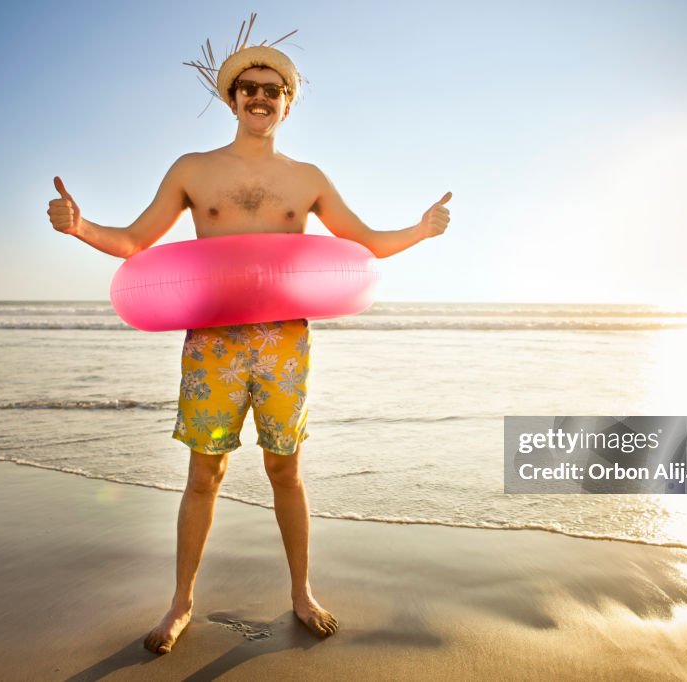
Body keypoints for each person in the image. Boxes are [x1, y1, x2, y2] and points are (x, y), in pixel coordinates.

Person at [46, 21, 451, 655]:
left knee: (285, 468)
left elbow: (366, 244)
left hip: (284, 339)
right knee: (204, 472)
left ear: (288, 102)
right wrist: (79, 226)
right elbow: (131, 243)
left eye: (272, 89)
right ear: (231, 99)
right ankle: (180, 604)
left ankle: (302, 592)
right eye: (249, 89)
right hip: (213, 340)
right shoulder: (193, 169)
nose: (260, 98)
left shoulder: (308, 177)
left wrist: (422, 230)